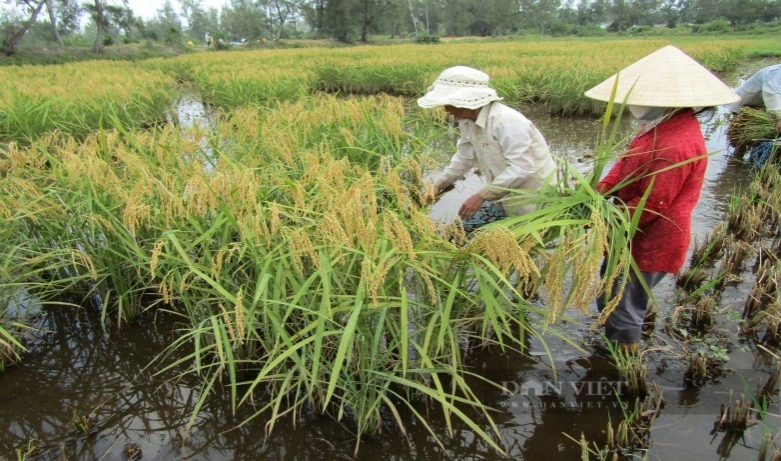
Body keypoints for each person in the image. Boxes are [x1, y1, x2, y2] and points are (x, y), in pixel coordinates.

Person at [584, 45, 740, 352]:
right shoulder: (658, 126)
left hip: (650, 239)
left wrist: (601, 219)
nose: (636, 104)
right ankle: (611, 349)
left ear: (666, 100)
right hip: (629, 234)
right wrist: (597, 193)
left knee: (623, 308)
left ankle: (626, 371)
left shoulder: (674, 143)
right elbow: (624, 167)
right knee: (612, 295)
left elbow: (653, 203)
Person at [418, 66, 557, 233]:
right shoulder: (467, 121)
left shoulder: (506, 121)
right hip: (500, 196)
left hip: (530, 201)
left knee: (517, 249)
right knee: (457, 234)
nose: (446, 110)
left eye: (448, 103)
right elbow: (465, 157)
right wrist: (439, 185)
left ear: (464, 100)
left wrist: (481, 196)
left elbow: (522, 168)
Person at [727, 64, 781, 132]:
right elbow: (773, 96)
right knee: (753, 134)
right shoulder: (774, 73)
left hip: (761, 107)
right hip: (744, 109)